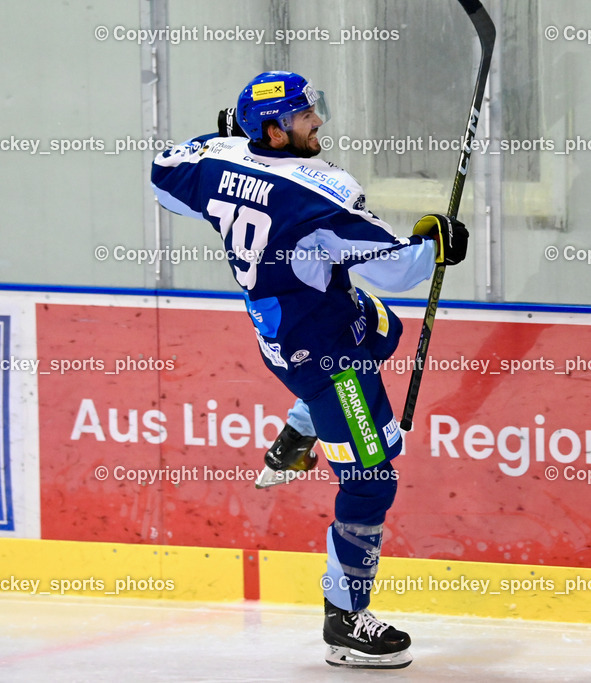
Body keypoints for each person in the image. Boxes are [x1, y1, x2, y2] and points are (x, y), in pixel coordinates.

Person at [150, 70, 468, 669]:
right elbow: (399, 273)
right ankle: (345, 621)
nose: (317, 121)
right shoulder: (316, 193)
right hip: (328, 362)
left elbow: (163, 176)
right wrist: (437, 244)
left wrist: (220, 140)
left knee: (387, 330)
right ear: (273, 129)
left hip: (294, 330)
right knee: (372, 482)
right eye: (303, 115)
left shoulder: (218, 161)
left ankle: (299, 435)